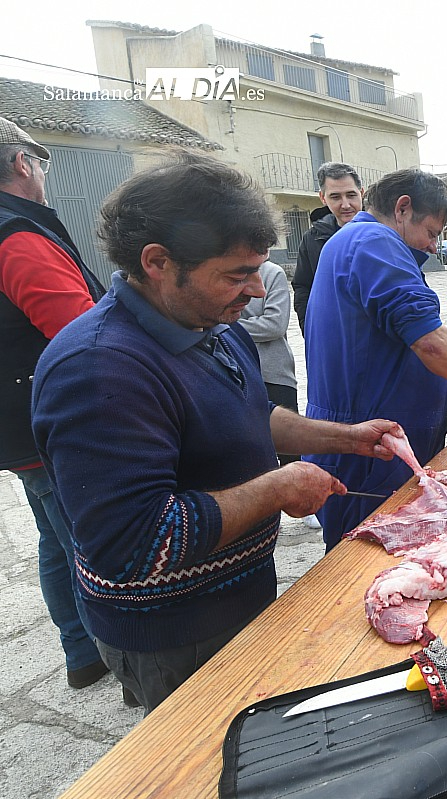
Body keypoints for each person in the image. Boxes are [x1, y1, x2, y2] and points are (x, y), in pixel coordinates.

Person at [31, 152, 403, 712]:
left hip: (241, 596)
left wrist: (345, 437)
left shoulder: (213, 324)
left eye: (258, 269)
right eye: (236, 274)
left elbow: (246, 417)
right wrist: (277, 490)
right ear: (157, 262)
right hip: (173, 630)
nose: (256, 291)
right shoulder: (98, 368)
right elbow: (133, 547)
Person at [303, 168, 447, 550]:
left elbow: (393, 349)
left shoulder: (364, 242)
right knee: (366, 568)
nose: (434, 246)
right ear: (402, 209)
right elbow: (428, 340)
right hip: (369, 453)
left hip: (382, 444)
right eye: (432, 233)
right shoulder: (373, 242)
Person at [0, 119, 111, 692]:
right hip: (49, 424)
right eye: (41, 163)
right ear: (24, 163)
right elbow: (82, 335)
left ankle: (80, 653)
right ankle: (125, 665)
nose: (42, 173)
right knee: (90, 547)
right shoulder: (17, 237)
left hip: (17, 425)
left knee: (53, 536)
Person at [292, 162, 363, 336]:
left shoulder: (385, 234)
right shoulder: (312, 239)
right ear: (323, 198)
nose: (345, 204)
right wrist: (310, 329)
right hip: (332, 338)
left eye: (351, 195)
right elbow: (303, 287)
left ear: (362, 193)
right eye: (336, 197)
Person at [239, 260, 299, 464]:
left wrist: (227, 324)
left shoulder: (272, 273)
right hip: (238, 374)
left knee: (290, 451)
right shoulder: (219, 270)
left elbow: (275, 325)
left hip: (275, 373)